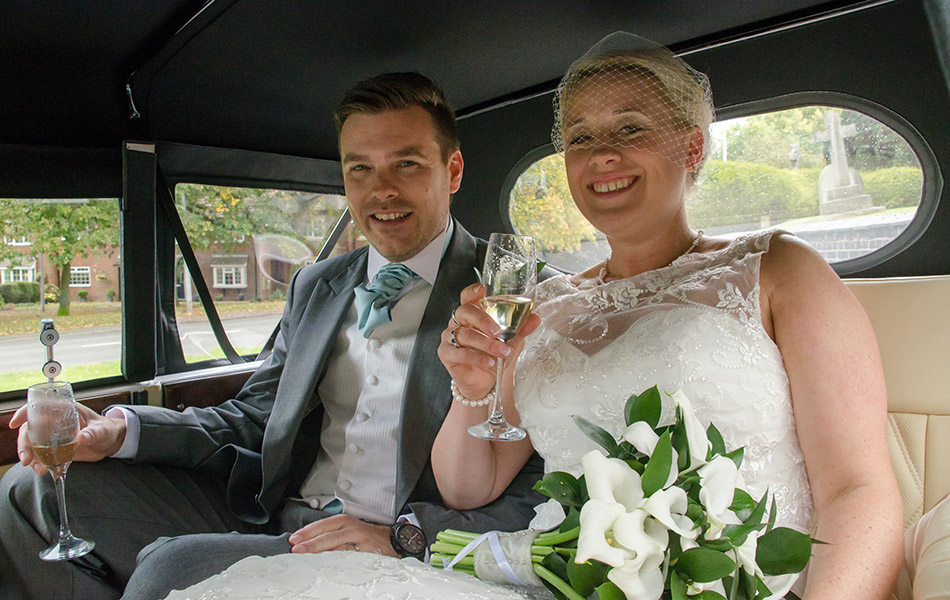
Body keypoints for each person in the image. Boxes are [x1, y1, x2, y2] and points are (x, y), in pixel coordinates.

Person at [0, 71, 545, 600]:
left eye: (406, 164)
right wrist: (118, 431)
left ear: (452, 171)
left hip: (389, 534)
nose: (381, 191)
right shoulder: (318, 283)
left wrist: (407, 537)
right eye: (360, 169)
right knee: (30, 492)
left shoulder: (515, 294)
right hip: (276, 510)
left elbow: (543, 482)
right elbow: (254, 416)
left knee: (169, 569)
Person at [433, 32, 908, 599]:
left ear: (692, 149)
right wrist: (472, 386)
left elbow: (857, 492)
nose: (601, 153)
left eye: (630, 128)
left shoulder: (780, 270)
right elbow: (471, 486)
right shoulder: (544, 307)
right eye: (581, 137)